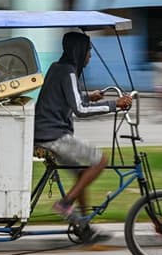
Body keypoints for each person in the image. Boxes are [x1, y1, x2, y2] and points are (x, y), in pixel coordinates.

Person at [34, 32, 132, 235]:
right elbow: (80, 110)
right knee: (101, 160)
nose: (90, 56)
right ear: (78, 51)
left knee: (82, 175)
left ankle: (84, 226)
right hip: (54, 136)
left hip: (45, 133)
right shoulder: (68, 72)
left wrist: (90, 97)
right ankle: (65, 203)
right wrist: (115, 105)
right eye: (88, 51)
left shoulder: (57, 67)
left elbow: (71, 100)